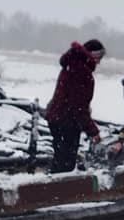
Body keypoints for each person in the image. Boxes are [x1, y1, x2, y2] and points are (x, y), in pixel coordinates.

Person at [44, 39, 105, 173]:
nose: (99, 62)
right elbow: (78, 107)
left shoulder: (71, 64)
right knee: (66, 165)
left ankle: (51, 182)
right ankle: (59, 185)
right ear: (92, 55)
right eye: (99, 58)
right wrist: (93, 131)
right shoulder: (82, 72)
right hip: (67, 122)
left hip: (56, 118)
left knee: (59, 158)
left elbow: (71, 99)